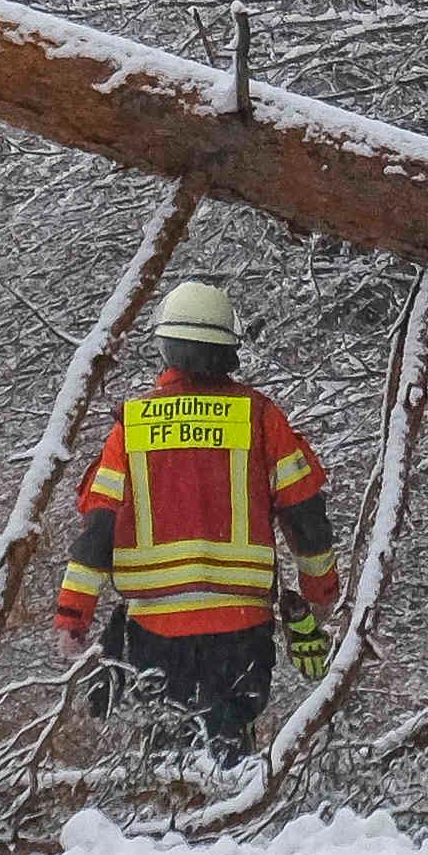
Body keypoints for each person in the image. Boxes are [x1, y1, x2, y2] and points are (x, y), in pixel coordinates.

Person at [55, 281, 340, 760]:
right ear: (227, 349)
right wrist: (320, 597)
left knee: (168, 756)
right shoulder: (260, 418)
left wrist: (73, 616)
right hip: (240, 630)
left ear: (165, 346)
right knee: (231, 752)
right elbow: (306, 518)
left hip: (154, 634)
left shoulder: (134, 426)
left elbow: (99, 529)